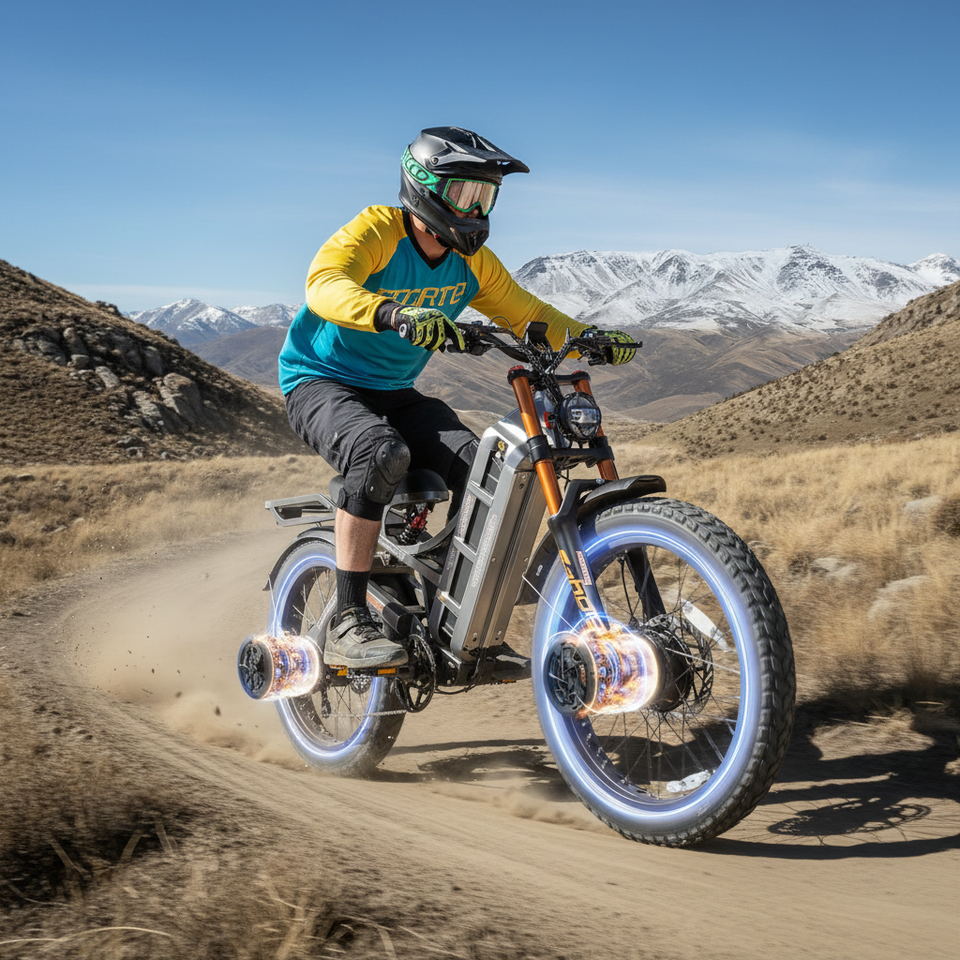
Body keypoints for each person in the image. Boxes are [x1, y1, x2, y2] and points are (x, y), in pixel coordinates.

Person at [279, 126, 636, 670]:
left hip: (394, 391)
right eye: (464, 194)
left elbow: (528, 314)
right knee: (378, 452)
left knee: (484, 466)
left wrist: (587, 337)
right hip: (319, 381)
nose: (475, 210)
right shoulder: (378, 230)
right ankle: (348, 620)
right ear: (422, 188)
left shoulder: (474, 262)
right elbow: (325, 283)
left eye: (485, 197)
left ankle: (452, 606)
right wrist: (391, 313)